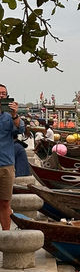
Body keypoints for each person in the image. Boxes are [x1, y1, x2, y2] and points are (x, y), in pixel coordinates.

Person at [0, 84, 24, 230]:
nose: (1, 95)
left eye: (3, 93)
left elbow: (20, 129)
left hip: (6, 165)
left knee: (4, 203)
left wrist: (15, 114)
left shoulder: (10, 117)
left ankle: (6, 237)